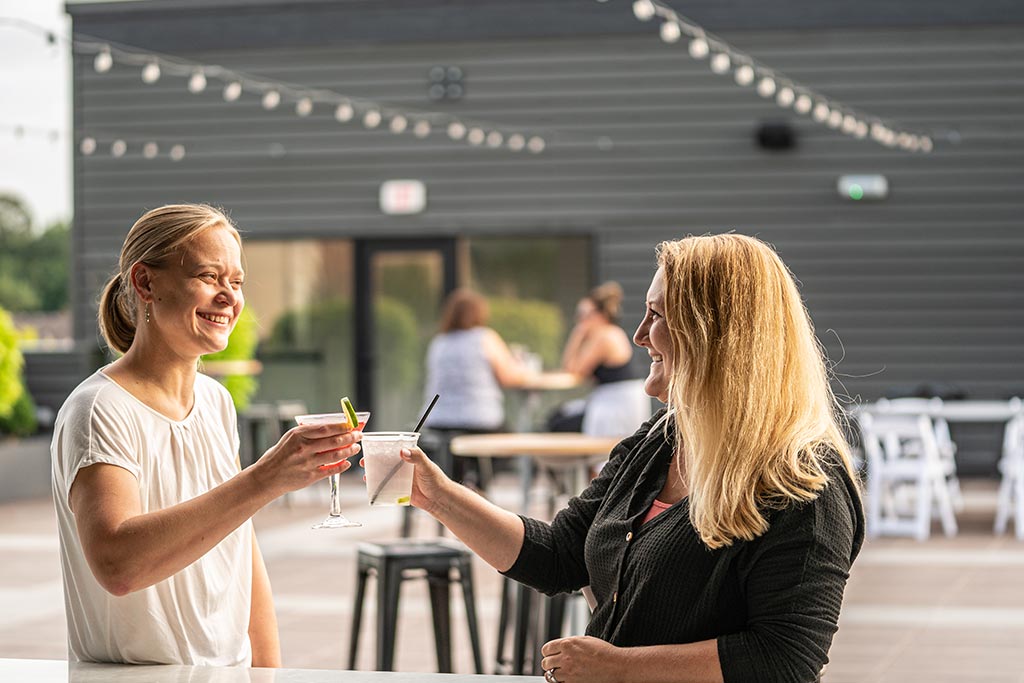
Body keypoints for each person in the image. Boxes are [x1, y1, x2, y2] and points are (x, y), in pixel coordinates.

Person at [395, 234, 864, 683]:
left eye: (655, 315)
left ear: (715, 333)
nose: (639, 335)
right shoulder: (660, 440)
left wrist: (620, 668)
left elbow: (784, 660)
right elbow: (558, 555)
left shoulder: (804, 483)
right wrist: (437, 495)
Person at [50, 204, 362, 666]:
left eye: (235, 282)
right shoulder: (100, 409)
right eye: (208, 276)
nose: (228, 297)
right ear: (145, 282)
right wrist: (265, 478)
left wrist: (268, 673)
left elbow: (242, 551)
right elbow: (117, 565)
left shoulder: (214, 402)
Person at [422, 288, 528, 486]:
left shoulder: (439, 342)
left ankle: (458, 486)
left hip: (438, 422)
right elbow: (510, 378)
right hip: (479, 422)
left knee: (455, 458)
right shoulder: (485, 338)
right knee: (512, 445)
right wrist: (521, 366)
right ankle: (479, 486)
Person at [552, 281, 651, 436]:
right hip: (614, 403)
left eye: (584, 315)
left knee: (558, 424)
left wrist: (577, 335)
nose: (580, 321)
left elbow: (574, 369)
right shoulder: (609, 333)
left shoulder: (605, 336)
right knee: (559, 417)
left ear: (600, 315)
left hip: (617, 408)